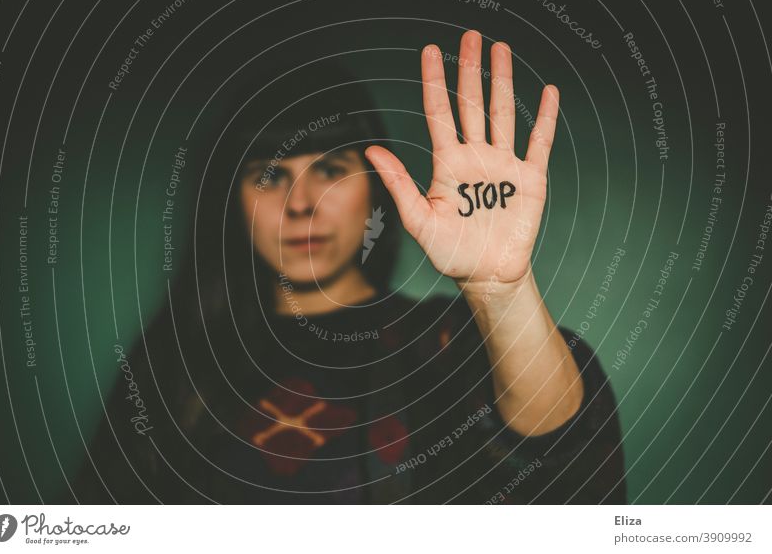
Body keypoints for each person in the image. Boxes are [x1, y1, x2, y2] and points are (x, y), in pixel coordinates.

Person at [64, 30, 626, 504]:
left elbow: (558, 453)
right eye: (270, 175)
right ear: (230, 200)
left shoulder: (440, 343)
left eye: (330, 170)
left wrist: (500, 289)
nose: (301, 203)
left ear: (375, 192)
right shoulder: (176, 354)